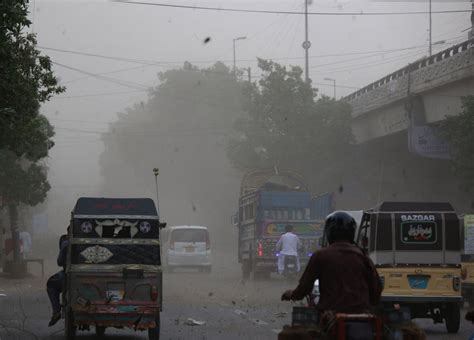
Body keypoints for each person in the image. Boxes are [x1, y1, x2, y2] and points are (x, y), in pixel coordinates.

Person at [281, 211, 382, 314]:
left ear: (329, 232)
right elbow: (376, 288)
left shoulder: (320, 256)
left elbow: (304, 287)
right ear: (352, 232)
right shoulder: (363, 257)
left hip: (330, 316)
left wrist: (292, 294)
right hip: (362, 316)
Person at [46, 229, 69, 327]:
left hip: (70, 276)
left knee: (51, 283)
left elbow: (60, 262)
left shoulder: (67, 243)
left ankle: (56, 312)